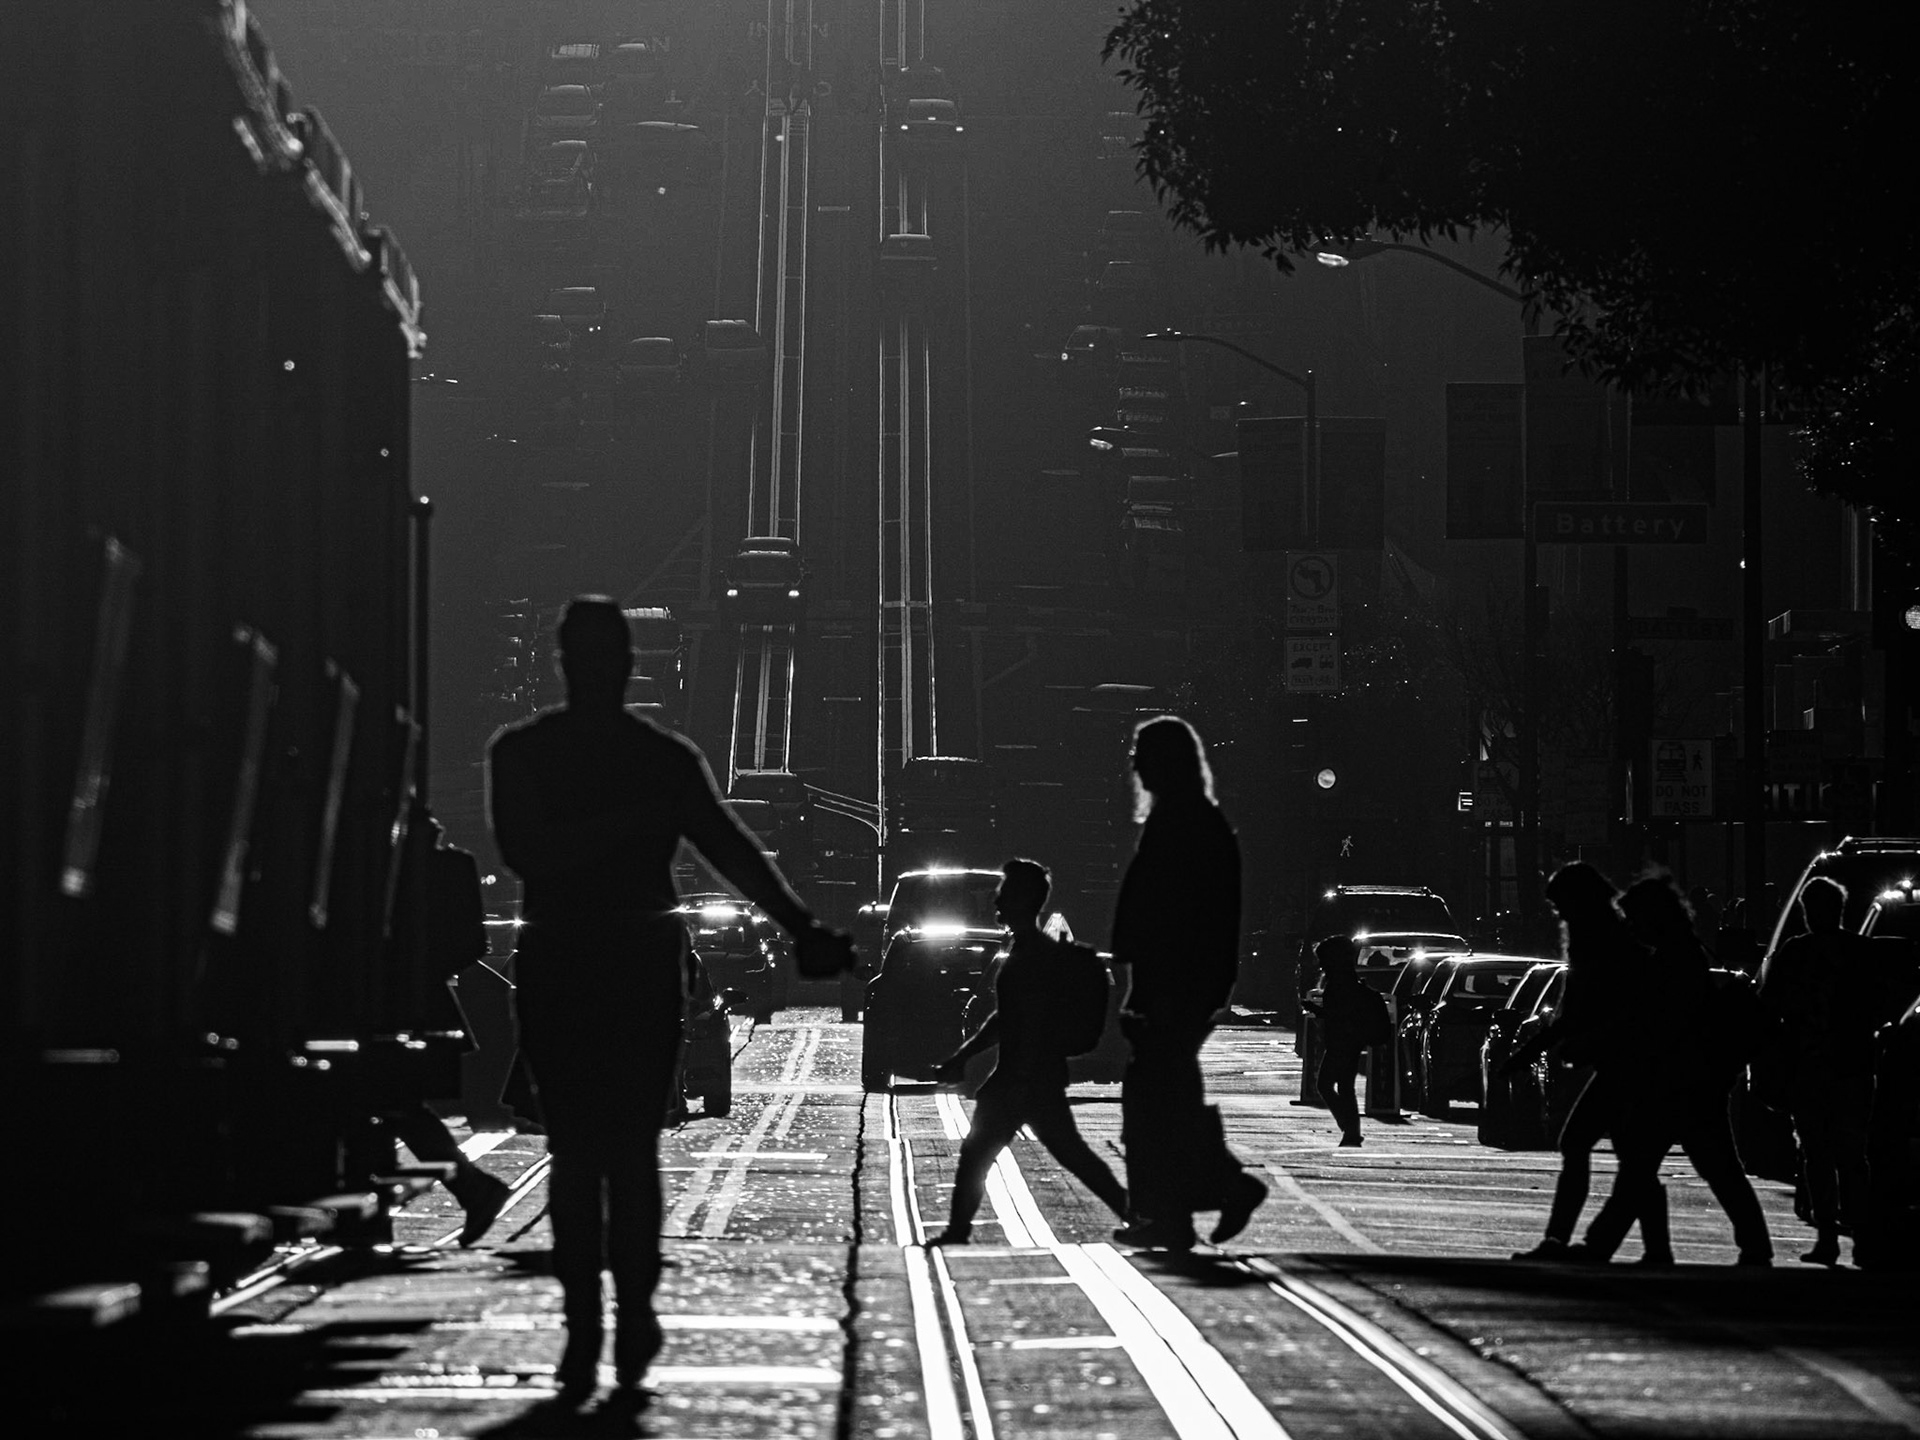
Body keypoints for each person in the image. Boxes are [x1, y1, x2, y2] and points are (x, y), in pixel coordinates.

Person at [488, 597, 853, 1405]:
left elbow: (526, 851)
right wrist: (800, 927)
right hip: (637, 962)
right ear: (627, 665)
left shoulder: (521, 753)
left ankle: (586, 1330)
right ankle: (625, 1314)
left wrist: (798, 925)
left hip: (562, 959)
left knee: (580, 1151)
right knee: (627, 1146)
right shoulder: (663, 760)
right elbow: (728, 847)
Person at [1109, 716, 1267, 1250]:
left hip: (1175, 982)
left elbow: (1165, 911)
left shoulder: (1181, 822)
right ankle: (1180, 1204)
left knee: (1155, 1096)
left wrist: (1147, 982)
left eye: (1142, 754)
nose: (1134, 765)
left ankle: (1187, 1202)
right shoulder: (1197, 819)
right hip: (1184, 981)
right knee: (1165, 1091)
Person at [924, 860, 1130, 1245]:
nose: (996, 901)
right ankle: (1137, 1214)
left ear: (1023, 900)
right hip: (1028, 1075)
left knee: (991, 1155)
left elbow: (1011, 1021)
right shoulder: (1024, 951)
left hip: (1024, 1077)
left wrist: (965, 1059)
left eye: (1003, 894)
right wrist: (964, 1058)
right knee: (1061, 1154)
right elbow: (1006, 1018)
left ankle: (957, 1230)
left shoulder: (1032, 956)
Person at [1580, 875, 1772, 1266]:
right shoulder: (1683, 953)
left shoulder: (1675, 959)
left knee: (1655, 1165)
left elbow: (1665, 1022)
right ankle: (1644, 1248)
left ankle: (1612, 1246)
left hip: (1680, 1081)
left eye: (1635, 918)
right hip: (1692, 1079)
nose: (1631, 927)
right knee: (1696, 1167)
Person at [1506, 863, 1670, 1264]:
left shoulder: (1599, 943)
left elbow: (1579, 1011)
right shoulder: (1609, 938)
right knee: (1633, 1158)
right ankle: (1654, 1249)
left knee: (1585, 1144)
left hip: (1626, 1062)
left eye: (1561, 905)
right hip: (1626, 1060)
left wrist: (1533, 1050)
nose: (1559, 914)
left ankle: (1559, 1240)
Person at [1758, 876, 1877, 1265]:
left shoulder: (1795, 953)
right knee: (1853, 1157)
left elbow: (1768, 1008)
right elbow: (1879, 1008)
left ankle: (1827, 1234)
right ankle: (1862, 1237)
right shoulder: (1861, 952)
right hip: (1853, 1068)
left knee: (1817, 1154)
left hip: (1809, 1070)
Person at [1299, 935, 1370, 1147]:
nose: (1320, 964)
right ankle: (1350, 1130)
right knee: (1342, 1086)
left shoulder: (1340, 983)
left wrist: (1317, 1010)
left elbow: (1338, 1013)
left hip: (1342, 1040)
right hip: (1347, 1039)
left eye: (1323, 959)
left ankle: (1350, 1129)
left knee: (1328, 1085)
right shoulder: (1345, 979)